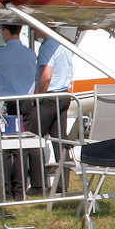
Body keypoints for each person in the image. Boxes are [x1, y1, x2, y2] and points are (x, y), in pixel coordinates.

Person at [0, 24, 37, 200]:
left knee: (3, 148)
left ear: (5, 31)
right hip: (25, 103)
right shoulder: (30, 53)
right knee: (21, 147)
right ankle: (20, 191)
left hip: (3, 103)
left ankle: (5, 191)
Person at [28, 32, 76, 194]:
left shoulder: (48, 46)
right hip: (63, 94)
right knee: (60, 140)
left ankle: (38, 184)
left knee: (32, 137)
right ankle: (62, 184)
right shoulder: (64, 42)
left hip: (50, 96)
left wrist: (38, 96)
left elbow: (46, 75)